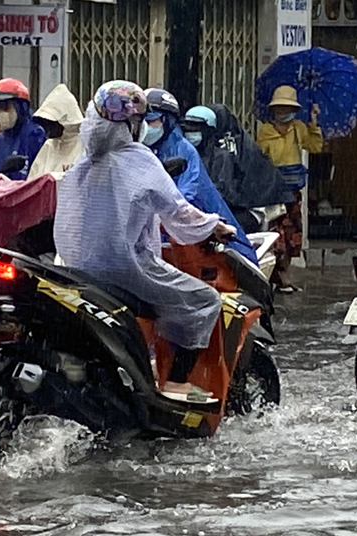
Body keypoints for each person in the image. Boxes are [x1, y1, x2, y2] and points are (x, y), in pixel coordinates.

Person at [53, 80, 235, 402]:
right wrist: (213, 226)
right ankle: (177, 382)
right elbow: (178, 212)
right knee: (204, 301)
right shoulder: (138, 159)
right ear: (131, 124)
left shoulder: (82, 164)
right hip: (128, 268)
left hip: (79, 269)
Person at [141, 88, 258, 267]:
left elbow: (184, 194)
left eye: (152, 121)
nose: (146, 127)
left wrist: (158, 211)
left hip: (192, 226)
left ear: (167, 120)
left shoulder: (183, 150)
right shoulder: (140, 149)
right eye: (143, 121)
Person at [183, 104, 293, 233]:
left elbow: (225, 189)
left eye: (196, 127)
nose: (191, 132)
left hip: (250, 208)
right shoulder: (189, 152)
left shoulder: (226, 155)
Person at [257, 85, 323, 293]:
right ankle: (276, 276)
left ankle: (284, 275)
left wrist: (314, 122)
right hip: (273, 191)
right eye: (280, 109)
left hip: (293, 191)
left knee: (292, 233)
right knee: (276, 233)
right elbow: (261, 160)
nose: (284, 113)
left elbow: (315, 146)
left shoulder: (298, 128)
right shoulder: (265, 132)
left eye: (287, 108)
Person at [0, 78, 46, 181]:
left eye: (6, 107)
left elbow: (40, 179)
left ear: (20, 107)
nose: (1, 113)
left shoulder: (35, 136)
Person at [27, 84, 84, 181]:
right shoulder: (49, 146)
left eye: (51, 123)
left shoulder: (84, 146)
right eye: (45, 123)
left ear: (65, 122)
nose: (47, 128)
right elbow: (32, 183)